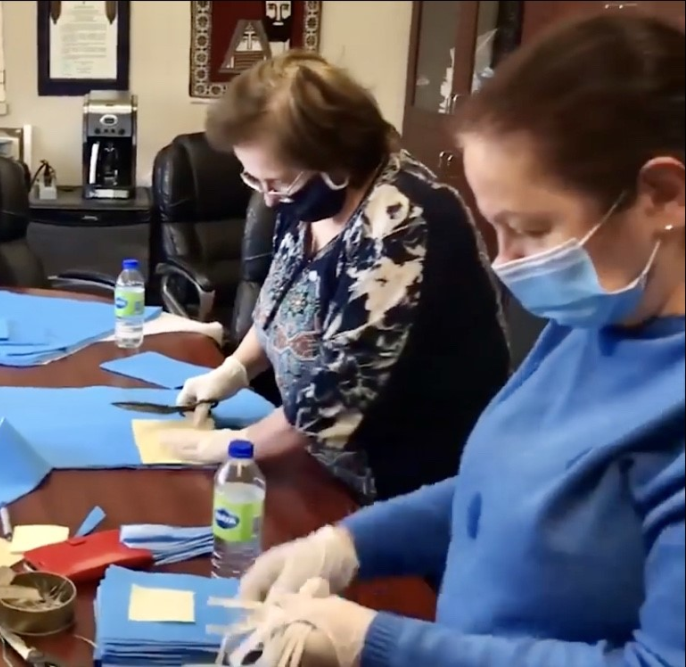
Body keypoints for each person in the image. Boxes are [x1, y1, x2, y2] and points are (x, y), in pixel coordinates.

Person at [229, 13, 686, 667]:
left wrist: (373, 641)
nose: (504, 263)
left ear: (662, 195)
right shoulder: (596, 322)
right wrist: (346, 543)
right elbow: (491, 489)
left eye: (531, 227)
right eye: (495, 228)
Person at [160, 51, 509, 502]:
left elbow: (338, 394)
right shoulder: (307, 199)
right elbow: (280, 304)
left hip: (407, 485)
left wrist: (225, 446)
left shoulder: (404, 222)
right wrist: (235, 369)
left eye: (277, 182)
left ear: (337, 162)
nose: (267, 200)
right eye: (254, 180)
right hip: (319, 463)